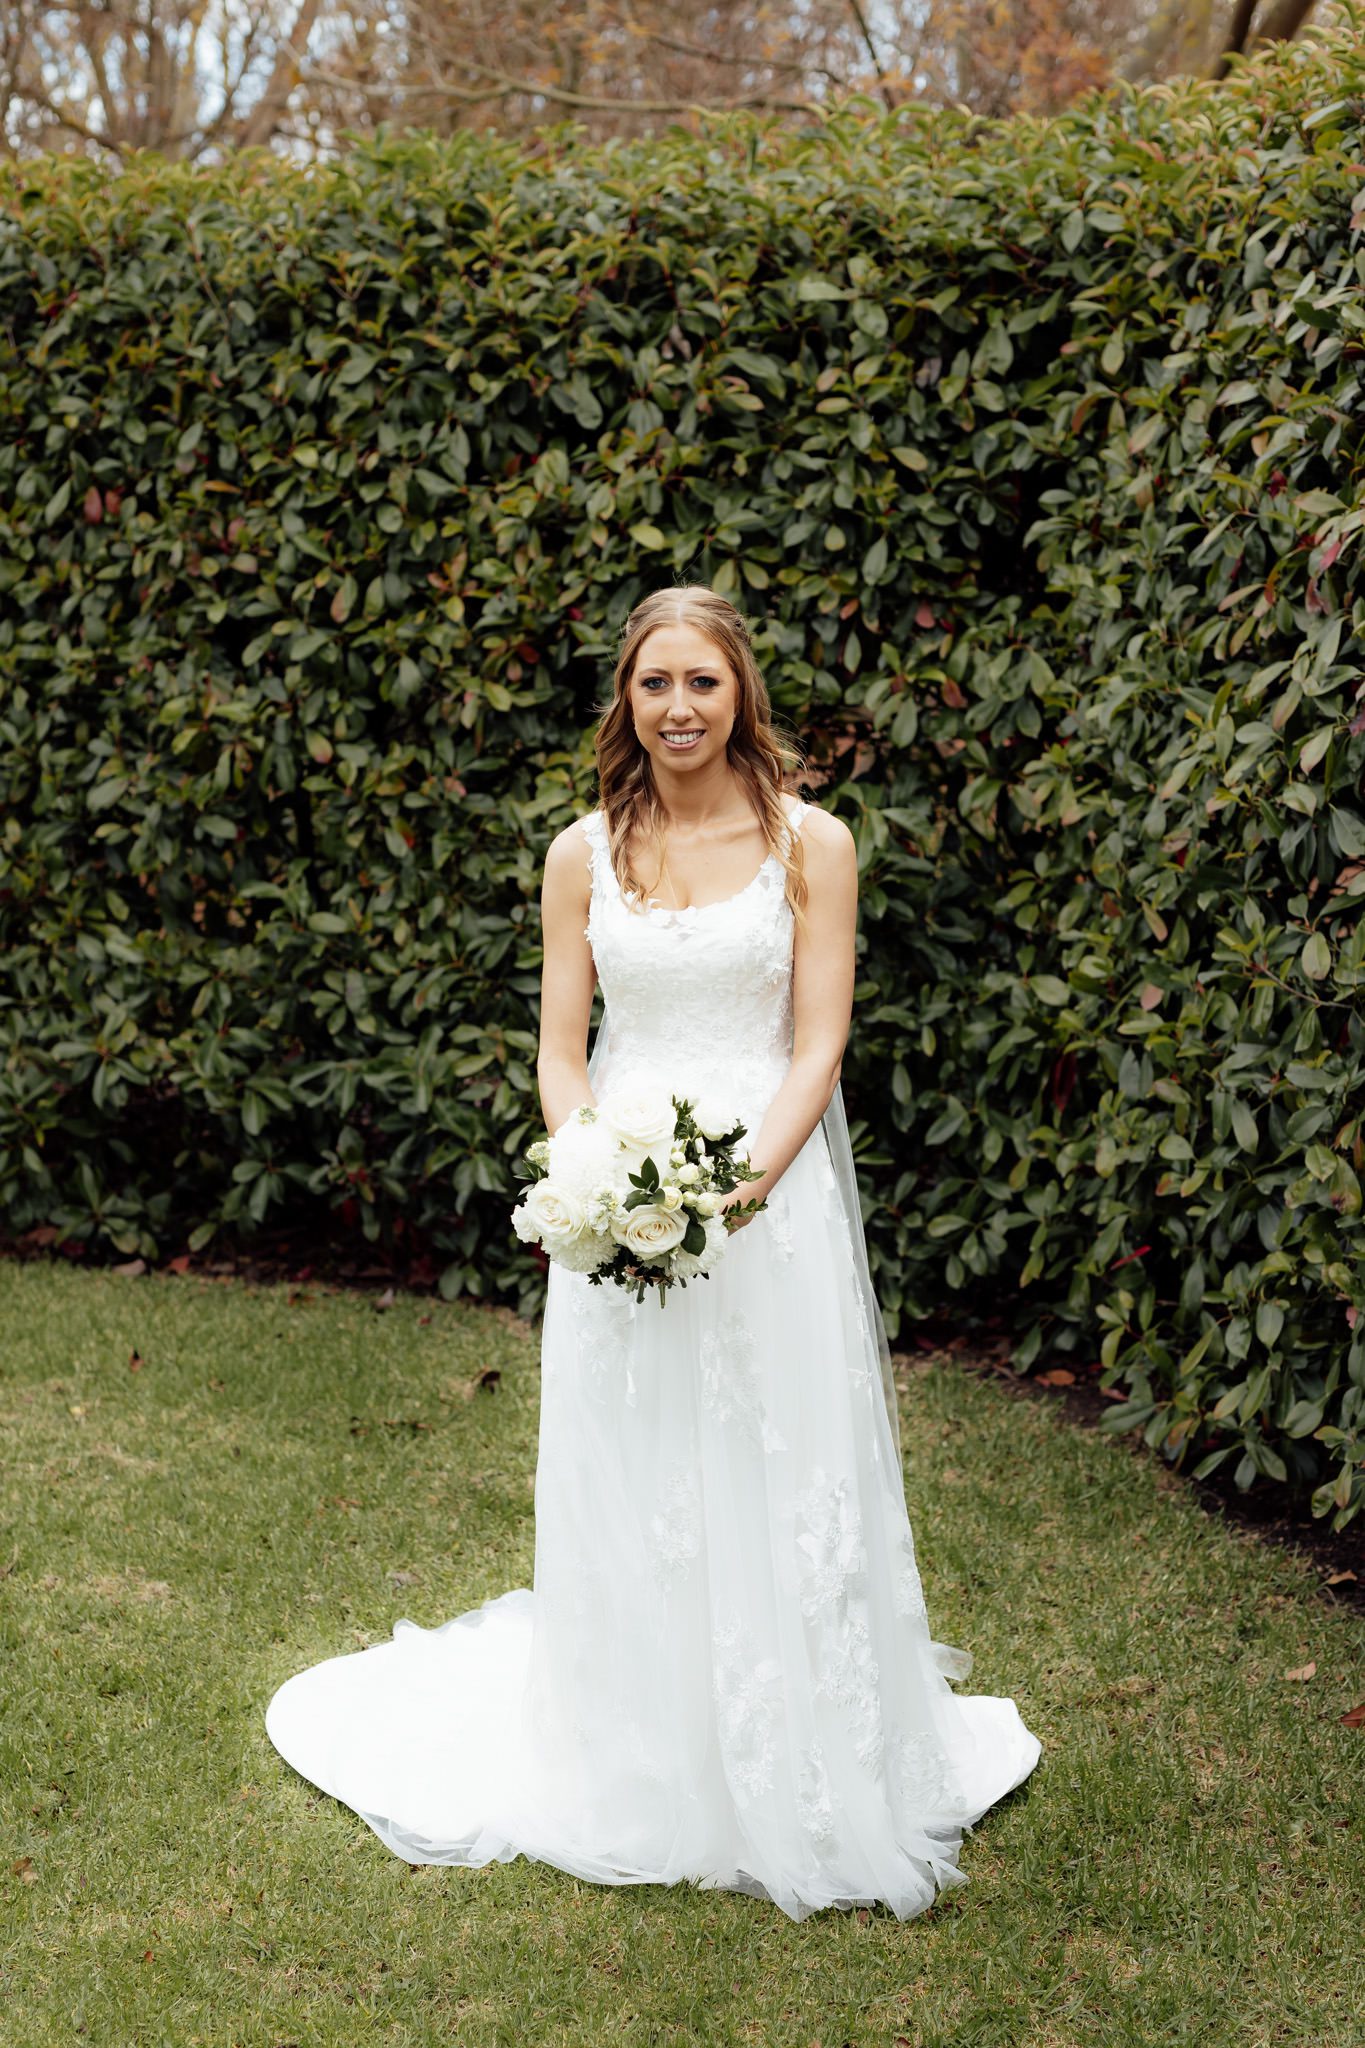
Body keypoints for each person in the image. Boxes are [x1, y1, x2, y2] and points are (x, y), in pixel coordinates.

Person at [265, 582, 1042, 1922]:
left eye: (702, 681)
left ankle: (800, 1743)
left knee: (773, 1450)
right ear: (624, 700)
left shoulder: (813, 843)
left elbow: (818, 1042)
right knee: (637, 1460)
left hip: (766, 1197)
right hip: (620, 1196)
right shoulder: (581, 853)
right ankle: (636, 1747)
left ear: (741, 692)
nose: (678, 708)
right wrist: (597, 1173)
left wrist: (742, 1190)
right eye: (653, 684)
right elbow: (561, 1051)